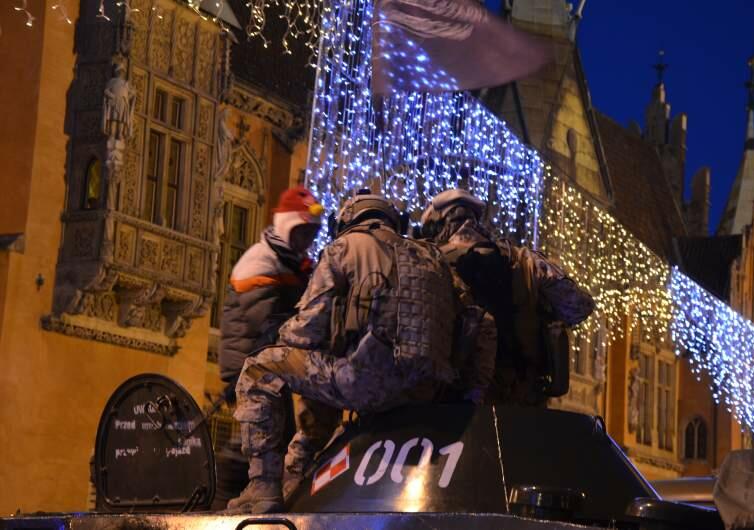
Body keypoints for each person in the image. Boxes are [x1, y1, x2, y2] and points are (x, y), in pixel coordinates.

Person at [233, 191, 459, 513]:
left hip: (368, 385)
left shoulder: (344, 248)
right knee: (327, 378)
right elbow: (476, 323)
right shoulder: (431, 257)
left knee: (260, 370)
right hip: (427, 393)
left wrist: (280, 334)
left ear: (346, 220)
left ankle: (263, 487)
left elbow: (305, 332)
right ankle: (295, 480)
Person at [420, 189, 595, 405]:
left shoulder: (426, 262)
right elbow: (579, 307)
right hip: (518, 405)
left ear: (438, 225)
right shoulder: (526, 261)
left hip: (445, 407)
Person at [218, 185, 334, 513]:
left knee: (276, 434)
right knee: (258, 432)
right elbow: (267, 321)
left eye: (311, 234)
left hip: (272, 362)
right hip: (249, 363)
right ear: (286, 226)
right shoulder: (260, 259)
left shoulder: (295, 264)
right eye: (301, 232)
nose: (306, 240)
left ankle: (254, 499)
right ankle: (221, 497)